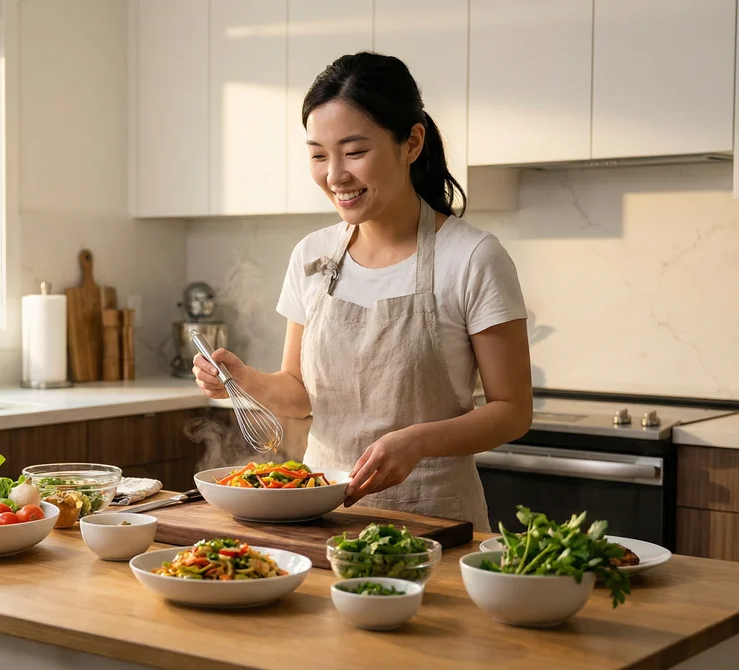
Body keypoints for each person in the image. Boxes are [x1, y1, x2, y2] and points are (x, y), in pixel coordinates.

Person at [192, 52, 532, 532]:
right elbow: (300, 396)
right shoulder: (312, 256)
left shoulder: (473, 257)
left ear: (411, 143)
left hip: (433, 524)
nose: (335, 175)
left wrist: (416, 442)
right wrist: (243, 378)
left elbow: (513, 412)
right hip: (320, 517)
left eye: (354, 152)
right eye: (318, 155)